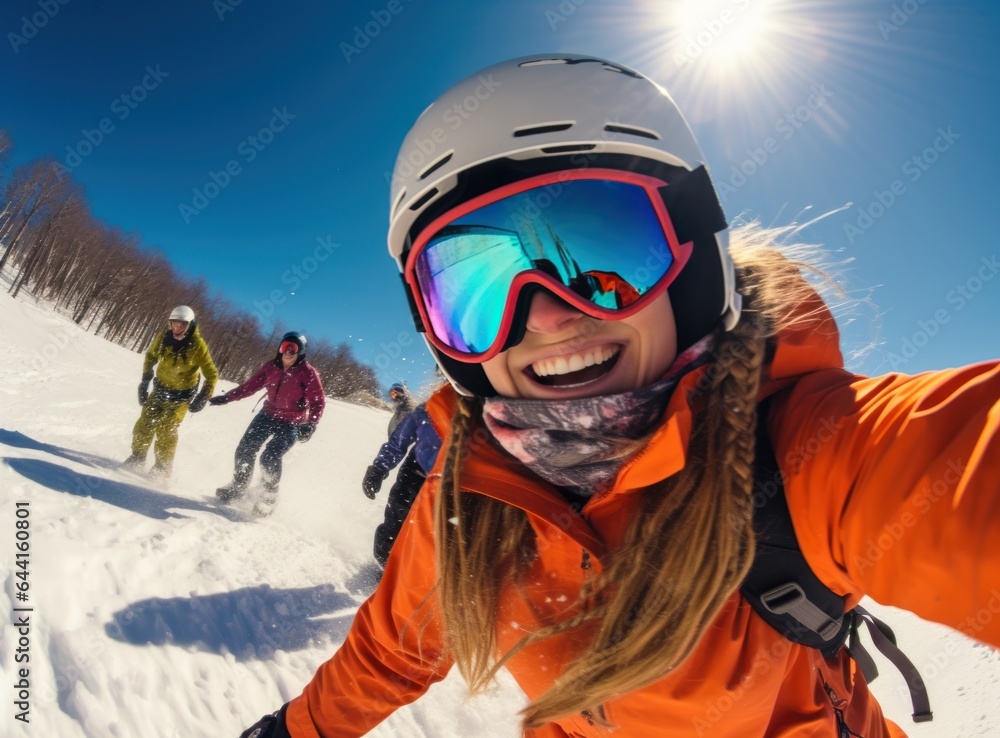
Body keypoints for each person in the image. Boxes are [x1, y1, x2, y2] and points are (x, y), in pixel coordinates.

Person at [239, 54, 1000, 738]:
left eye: (602, 256)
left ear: (695, 258)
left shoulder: (806, 459)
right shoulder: (477, 497)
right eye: (476, 291)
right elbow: (391, 650)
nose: (543, 315)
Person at [211, 331, 325, 514]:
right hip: (268, 415)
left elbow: (318, 401)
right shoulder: (270, 367)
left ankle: (268, 497)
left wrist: (311, 423)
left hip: (292, 422)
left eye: (293, 348)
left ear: (300, 352)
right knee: (245, 448)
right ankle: (239, 486)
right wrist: (227, 398)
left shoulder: (308, 374)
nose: (287, 351)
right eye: (284, 346)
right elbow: (250, 386)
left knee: (270, 456)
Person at [124, 305, 217, 478]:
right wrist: (145, 381)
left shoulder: (197, 345)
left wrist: (204, 395)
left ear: (190, 325)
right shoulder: (163, 338)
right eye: (174, 324)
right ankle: (137, 457)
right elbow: (151, 356)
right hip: (160, 390)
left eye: (182, 325)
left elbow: (211, 373)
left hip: (181, 397)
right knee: (144, 424)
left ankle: (162, 468)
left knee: (167, 429)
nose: (177, 328)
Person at [362, 401, 442, 568]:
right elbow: (399, 440)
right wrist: (379, 468)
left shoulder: (489, 413)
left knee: (433, 537)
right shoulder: (433, 406)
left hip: (452, 487)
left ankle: (413, 575)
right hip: (414, 475)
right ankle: (387, 567)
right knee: (395, 528)